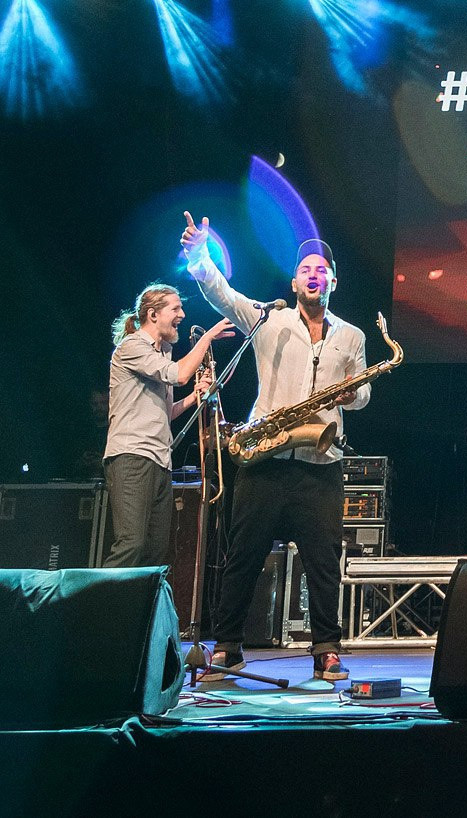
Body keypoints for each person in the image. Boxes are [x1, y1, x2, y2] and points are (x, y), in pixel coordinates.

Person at [181, 215, 370, 682]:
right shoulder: (270, 319)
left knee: (323, 561)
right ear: (294, 280)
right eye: (305, 268)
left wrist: (354, 393)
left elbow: (364, 393)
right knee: (242, 554)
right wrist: (201, 258)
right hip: (265, 457)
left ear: (333, 281)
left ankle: (326, 647)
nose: (313, 274)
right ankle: (227, 645)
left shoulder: (352, 336)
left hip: (320, 462)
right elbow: (221, 294)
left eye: (321, 269)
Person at [103, 284, 221, 568]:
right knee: (131, 545)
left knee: (154, 552)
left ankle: (138, 611)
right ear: (153, 314)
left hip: (159, 460)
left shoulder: (162, 353)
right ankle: (98, 609)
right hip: (132, 456)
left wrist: (195, 398)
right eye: (176, 308)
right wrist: (207, 338)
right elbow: (179, 375)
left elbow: (163, 412)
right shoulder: (132, 346)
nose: (182, 314)